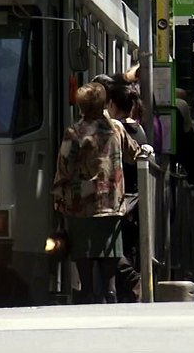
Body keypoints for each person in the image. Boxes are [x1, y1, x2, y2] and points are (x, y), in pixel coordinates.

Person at [52, 82, 149, 304]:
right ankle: (110, 290)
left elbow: (64, 166)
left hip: (81, 202)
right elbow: (132, 153)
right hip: (111, 201)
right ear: (105, 103)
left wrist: (58, 195)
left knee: (83, 248)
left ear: (81, 107)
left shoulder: (74, 132)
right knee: (110, 248)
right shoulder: (116, 128)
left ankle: (86, 290)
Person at [105, 79, 151, 302]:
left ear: (112, 104)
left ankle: (132, 283)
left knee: (114, 247)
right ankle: (129, 292)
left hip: (121, 197)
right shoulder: (138, 129)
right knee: (128, 248)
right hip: (135, 197)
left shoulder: (118, 129)